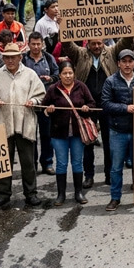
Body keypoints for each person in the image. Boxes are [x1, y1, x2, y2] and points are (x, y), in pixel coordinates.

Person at [62, 32, 134, 188]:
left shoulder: (112, 51)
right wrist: (64, 27)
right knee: (87, 141)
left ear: (104, 42)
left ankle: (109, 174)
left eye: (99, 43)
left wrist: (132, 24)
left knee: (109, 143)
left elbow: (126, 41)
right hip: (86, 105)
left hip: (108, 106)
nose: (96, 46)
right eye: (93, 44)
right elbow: (67, 45)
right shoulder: (80, 53)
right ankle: (89, 176)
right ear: (87, 42)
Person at [0, 43, 46, 209]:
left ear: (20, 57)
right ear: (3, 58)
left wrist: (33, 101)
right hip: (3, 123)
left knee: (28, 162)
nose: (10, 60)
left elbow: (41, 94)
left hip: (25, 123)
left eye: (13, 57)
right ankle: (4, 195)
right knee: (3, 162)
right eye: (7, 57)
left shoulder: (30, 74)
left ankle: (31, 194)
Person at [102, 49, 134, 211]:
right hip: (117, 131)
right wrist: (125, 108)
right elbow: (105, 104)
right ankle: (115, 198)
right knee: (116, 167)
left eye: (130, 61)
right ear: (118, 63)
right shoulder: (110, 81)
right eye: (124, 61)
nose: (127, 64)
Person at [42, 61, 96, 206]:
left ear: (74, 74)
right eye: (64, 73)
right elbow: (43, 107)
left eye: (70, 73)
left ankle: (78, 193)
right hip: (59, 133)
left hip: (78, 134)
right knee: (61, 164)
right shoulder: (53, 89)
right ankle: (61, 194)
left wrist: (86, 107)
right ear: (59, 75)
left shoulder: (81, 86)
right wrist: (48, 109)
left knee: (77, 163)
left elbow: (92, 103)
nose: (67, 76)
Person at [23, 31, 59, 175]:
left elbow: (57, 75)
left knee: (47, 135)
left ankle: (47, 163)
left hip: (46, 103)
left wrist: (50, 79)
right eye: (33, 44)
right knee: (30, 135)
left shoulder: (49, 58)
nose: (36, 47)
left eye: (39, 44)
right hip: (29, 102)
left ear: (42, 44)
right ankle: (32, 164)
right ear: (29, 44)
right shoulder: (24, 60)